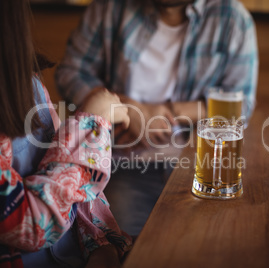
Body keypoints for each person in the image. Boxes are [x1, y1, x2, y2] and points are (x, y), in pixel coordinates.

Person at [56, 0, 258, 236]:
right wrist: (127, 109)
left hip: (198, 166)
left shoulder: (233, 19)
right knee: (116, 243)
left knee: (211, 242)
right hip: (123, 164)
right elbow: (71, 71)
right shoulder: (109, 8)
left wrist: (166, 112)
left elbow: (241, 105)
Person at [0, 0, 131, 267]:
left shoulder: (25, 80)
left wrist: (101, 243)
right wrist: (90, 126)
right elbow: (31, 226)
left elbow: (65, 171)